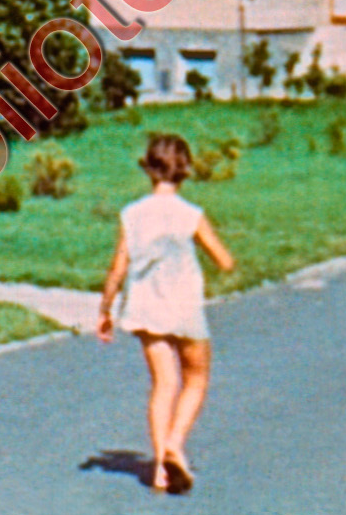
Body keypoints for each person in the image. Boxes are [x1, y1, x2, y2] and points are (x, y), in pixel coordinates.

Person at [97, 132, 240, 496]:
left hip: (146, 308)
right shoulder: (191, 214)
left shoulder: (132, 214)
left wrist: (105, 310)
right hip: (184, 308)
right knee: (196, 378)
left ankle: (161, 467)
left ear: (148, 169)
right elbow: (225, 261)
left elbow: (117, 269)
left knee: (163, 384)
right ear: (185, 170)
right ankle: (175, 443)